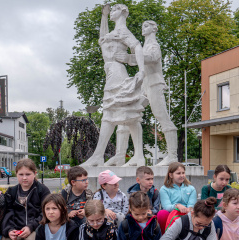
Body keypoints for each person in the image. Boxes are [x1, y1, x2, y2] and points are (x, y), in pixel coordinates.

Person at [83, 3, 147, 167]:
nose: (112, 12)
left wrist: (141, 70)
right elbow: (102, 38)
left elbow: (137, 47)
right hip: (111, 72)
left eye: (114, 9)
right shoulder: (113, 33)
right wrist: (104, 16)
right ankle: (138, 155)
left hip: (117, 73)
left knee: (110, 114)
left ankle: (98, 156)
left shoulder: (122, 32)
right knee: (128, 114)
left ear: (123, 12)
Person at [109, 20, 178, 167]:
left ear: (154, 28)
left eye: (146, 25)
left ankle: (172, 155)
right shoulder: (145, 45)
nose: (143, 28)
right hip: (143, 86)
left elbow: (152, 58)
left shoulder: (154, 45)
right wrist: (129, 58)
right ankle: (121, 155)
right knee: (127, 115)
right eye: (143, 25)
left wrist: (129, 57)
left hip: (154, 84)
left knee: (161, 115)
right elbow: (139, 61)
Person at [2, 158, 51, 240]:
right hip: (15, 228)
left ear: (34, 173)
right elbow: (8, 213)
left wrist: (30, 227)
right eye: (21, 174)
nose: (24, 178)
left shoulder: (42, 190)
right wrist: (9, 229)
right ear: (16, 174)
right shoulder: (11, 192)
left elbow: (45, 213)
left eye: (28, 174)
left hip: (36, 227)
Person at [158, 162, 197, 233]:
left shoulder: (191, 189)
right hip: (172, 214)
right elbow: (166, 207)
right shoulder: (164, 189)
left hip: (186, 214)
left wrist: (188, 209)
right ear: (171, 175)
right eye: (178, 173)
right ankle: (165, 236)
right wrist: (177, 206)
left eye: (183, 173)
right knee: (162, 213)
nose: (182, 175)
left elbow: (191, 205)